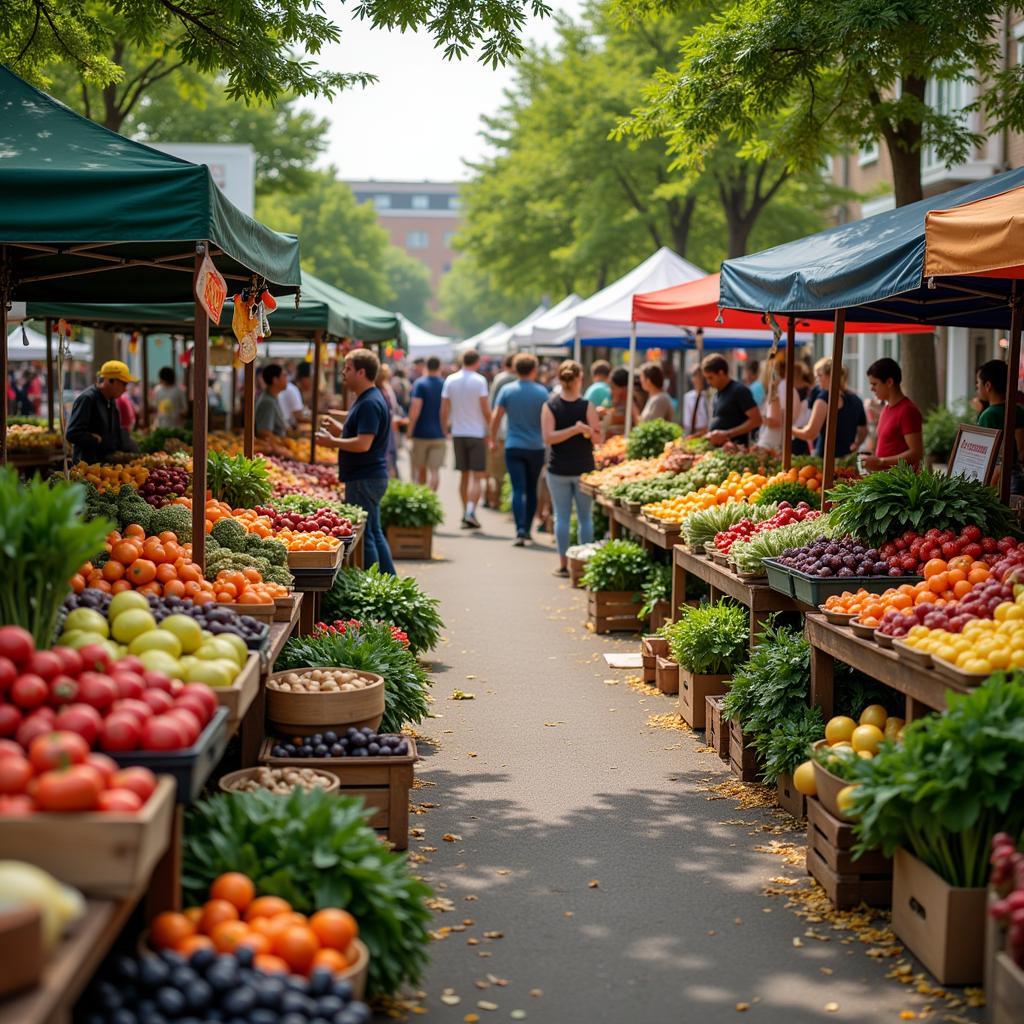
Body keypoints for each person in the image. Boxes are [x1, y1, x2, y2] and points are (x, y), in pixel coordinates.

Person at [316, 350, 396, 575]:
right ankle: (389, 580)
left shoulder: (369, 402)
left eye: (348, 368)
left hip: (364, 477)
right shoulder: (368, 398)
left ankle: (374, 582)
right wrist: (339, 431)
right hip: (369, 475)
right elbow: (363, 436)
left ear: (362, 372)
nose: (343, 372)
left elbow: (363, 444)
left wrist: (332, 441)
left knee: (367, 535)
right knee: (374, 531)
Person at [542, 360, 601, 575]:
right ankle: (585, 566)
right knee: (585, 517)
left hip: (558, 468)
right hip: (584, 468)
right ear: (579, 379)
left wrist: (578, 430)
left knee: (562, 517)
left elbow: (549, 438)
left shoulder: (550, 406)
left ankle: (564, 565)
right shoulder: (587, 406)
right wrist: (578, 430)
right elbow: (597, 438)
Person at [491, 353, 549, 546]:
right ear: (534, 369)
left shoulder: (507, 390)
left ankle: (520, 529)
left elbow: (496, 417)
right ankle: (528, 528)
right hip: (536, 446)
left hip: (513, 444)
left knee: (518, 488)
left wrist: (492, 439)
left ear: (515, 369)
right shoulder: (542, 392)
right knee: (532, 489)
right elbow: (547, 419)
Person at [441, 350, 491, 529]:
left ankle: (465, 512)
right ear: (476, 362)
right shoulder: (480, 380)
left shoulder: (450, 380)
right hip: (476, 432)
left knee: (463, 475)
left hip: (458, 431)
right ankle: (471, 510)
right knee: (477, 476)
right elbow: (486, 409)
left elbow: (444, 409)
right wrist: (490, 430)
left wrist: (445, 428)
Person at [792, 358, 867, 458]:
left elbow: (810, 433)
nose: (817, 380)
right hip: (847, 458)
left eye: (819, 375)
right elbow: (863, 431)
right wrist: (856, 445)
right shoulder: (856, 399)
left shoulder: (824, 399)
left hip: (826, 458)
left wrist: (789, 429)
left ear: (830, 376)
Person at [65, 360, 138, 463]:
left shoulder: (111, 400)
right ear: (111, 381)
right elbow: (72, 434)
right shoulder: (88, 399)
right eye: (124, 384)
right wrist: (95, 439)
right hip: (87, 467)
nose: (125, 389)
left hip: (105, 465)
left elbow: (115, 433)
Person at [861, 357, 923, 471]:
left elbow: (916, 453)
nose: (871, 389)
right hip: (884, 479)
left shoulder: (908, 410)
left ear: (889, 382)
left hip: (900, 484)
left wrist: (880, 462)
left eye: (875, 384)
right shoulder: (886, 408)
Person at [976, 359, 1024, 492]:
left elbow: (985, 454)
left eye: (978, 383)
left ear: (988, 386)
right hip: (1017, 476)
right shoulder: (1017, 409)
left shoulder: (988, 415)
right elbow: (1021, 449)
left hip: (997, 479)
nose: (977, 387)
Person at [702, 354, 762, 446]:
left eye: (710, 377)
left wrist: (727, 434)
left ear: (721, 373)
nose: (708, 382)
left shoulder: (739, 391)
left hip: (736, 450)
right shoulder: (717, 394)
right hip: (718, 452)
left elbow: (756, 420)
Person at [407, 355, 446, 490]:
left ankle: (423, 499)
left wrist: (409, 430)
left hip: (421, 433)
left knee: (420, 469)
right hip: (439, 434)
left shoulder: (420, 383)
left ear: (426, 366)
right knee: (434, 471)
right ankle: (432, 499)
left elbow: (415, 409)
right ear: (439, 367)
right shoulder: (444, 384)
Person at [484, 355, 516, 509]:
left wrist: (490, 433)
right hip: (512, 431)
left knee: (496, 469)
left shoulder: (500, 379)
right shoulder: (520, 380)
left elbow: (493, 406)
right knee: (504, 470)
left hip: (501, 431)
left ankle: (493, 499)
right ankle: (499, 499)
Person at [756, 354, 804, 453]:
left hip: (773, 442)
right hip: (778, 440)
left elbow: (777, 420)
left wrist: (758, 418)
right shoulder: (785, 387)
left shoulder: (781, 388)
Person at [254, 364, 291, 457]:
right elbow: (264, 433)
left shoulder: (272, 398)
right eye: (284, 376)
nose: (287, 379)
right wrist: (281, 450)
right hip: (270, 454)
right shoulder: (267, 402)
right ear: (275, 380)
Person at [376, 364, 405, 479]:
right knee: (388, 456)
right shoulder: (382, 389)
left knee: (389, 456)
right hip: (386, 428)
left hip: (388, 427)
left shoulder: (386, 388)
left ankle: (390, 479)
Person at [603, 366, 642, 437]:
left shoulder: (632, 402)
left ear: (624, 388)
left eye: (613, 387)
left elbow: (638, 423)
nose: (611, 390)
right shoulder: (613, 400)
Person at [680, 366, 711, 436]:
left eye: (701, 377)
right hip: (693, 433)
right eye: (696, 376)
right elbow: (687, 422)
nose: (699, 379)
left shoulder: (709, 396)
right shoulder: (688, 397)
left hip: (708, 433)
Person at [278, 363, 304, 428]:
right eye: (284, 376)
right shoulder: (291, 389)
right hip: (287, 428)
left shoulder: (289, 388)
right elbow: (298, 415)